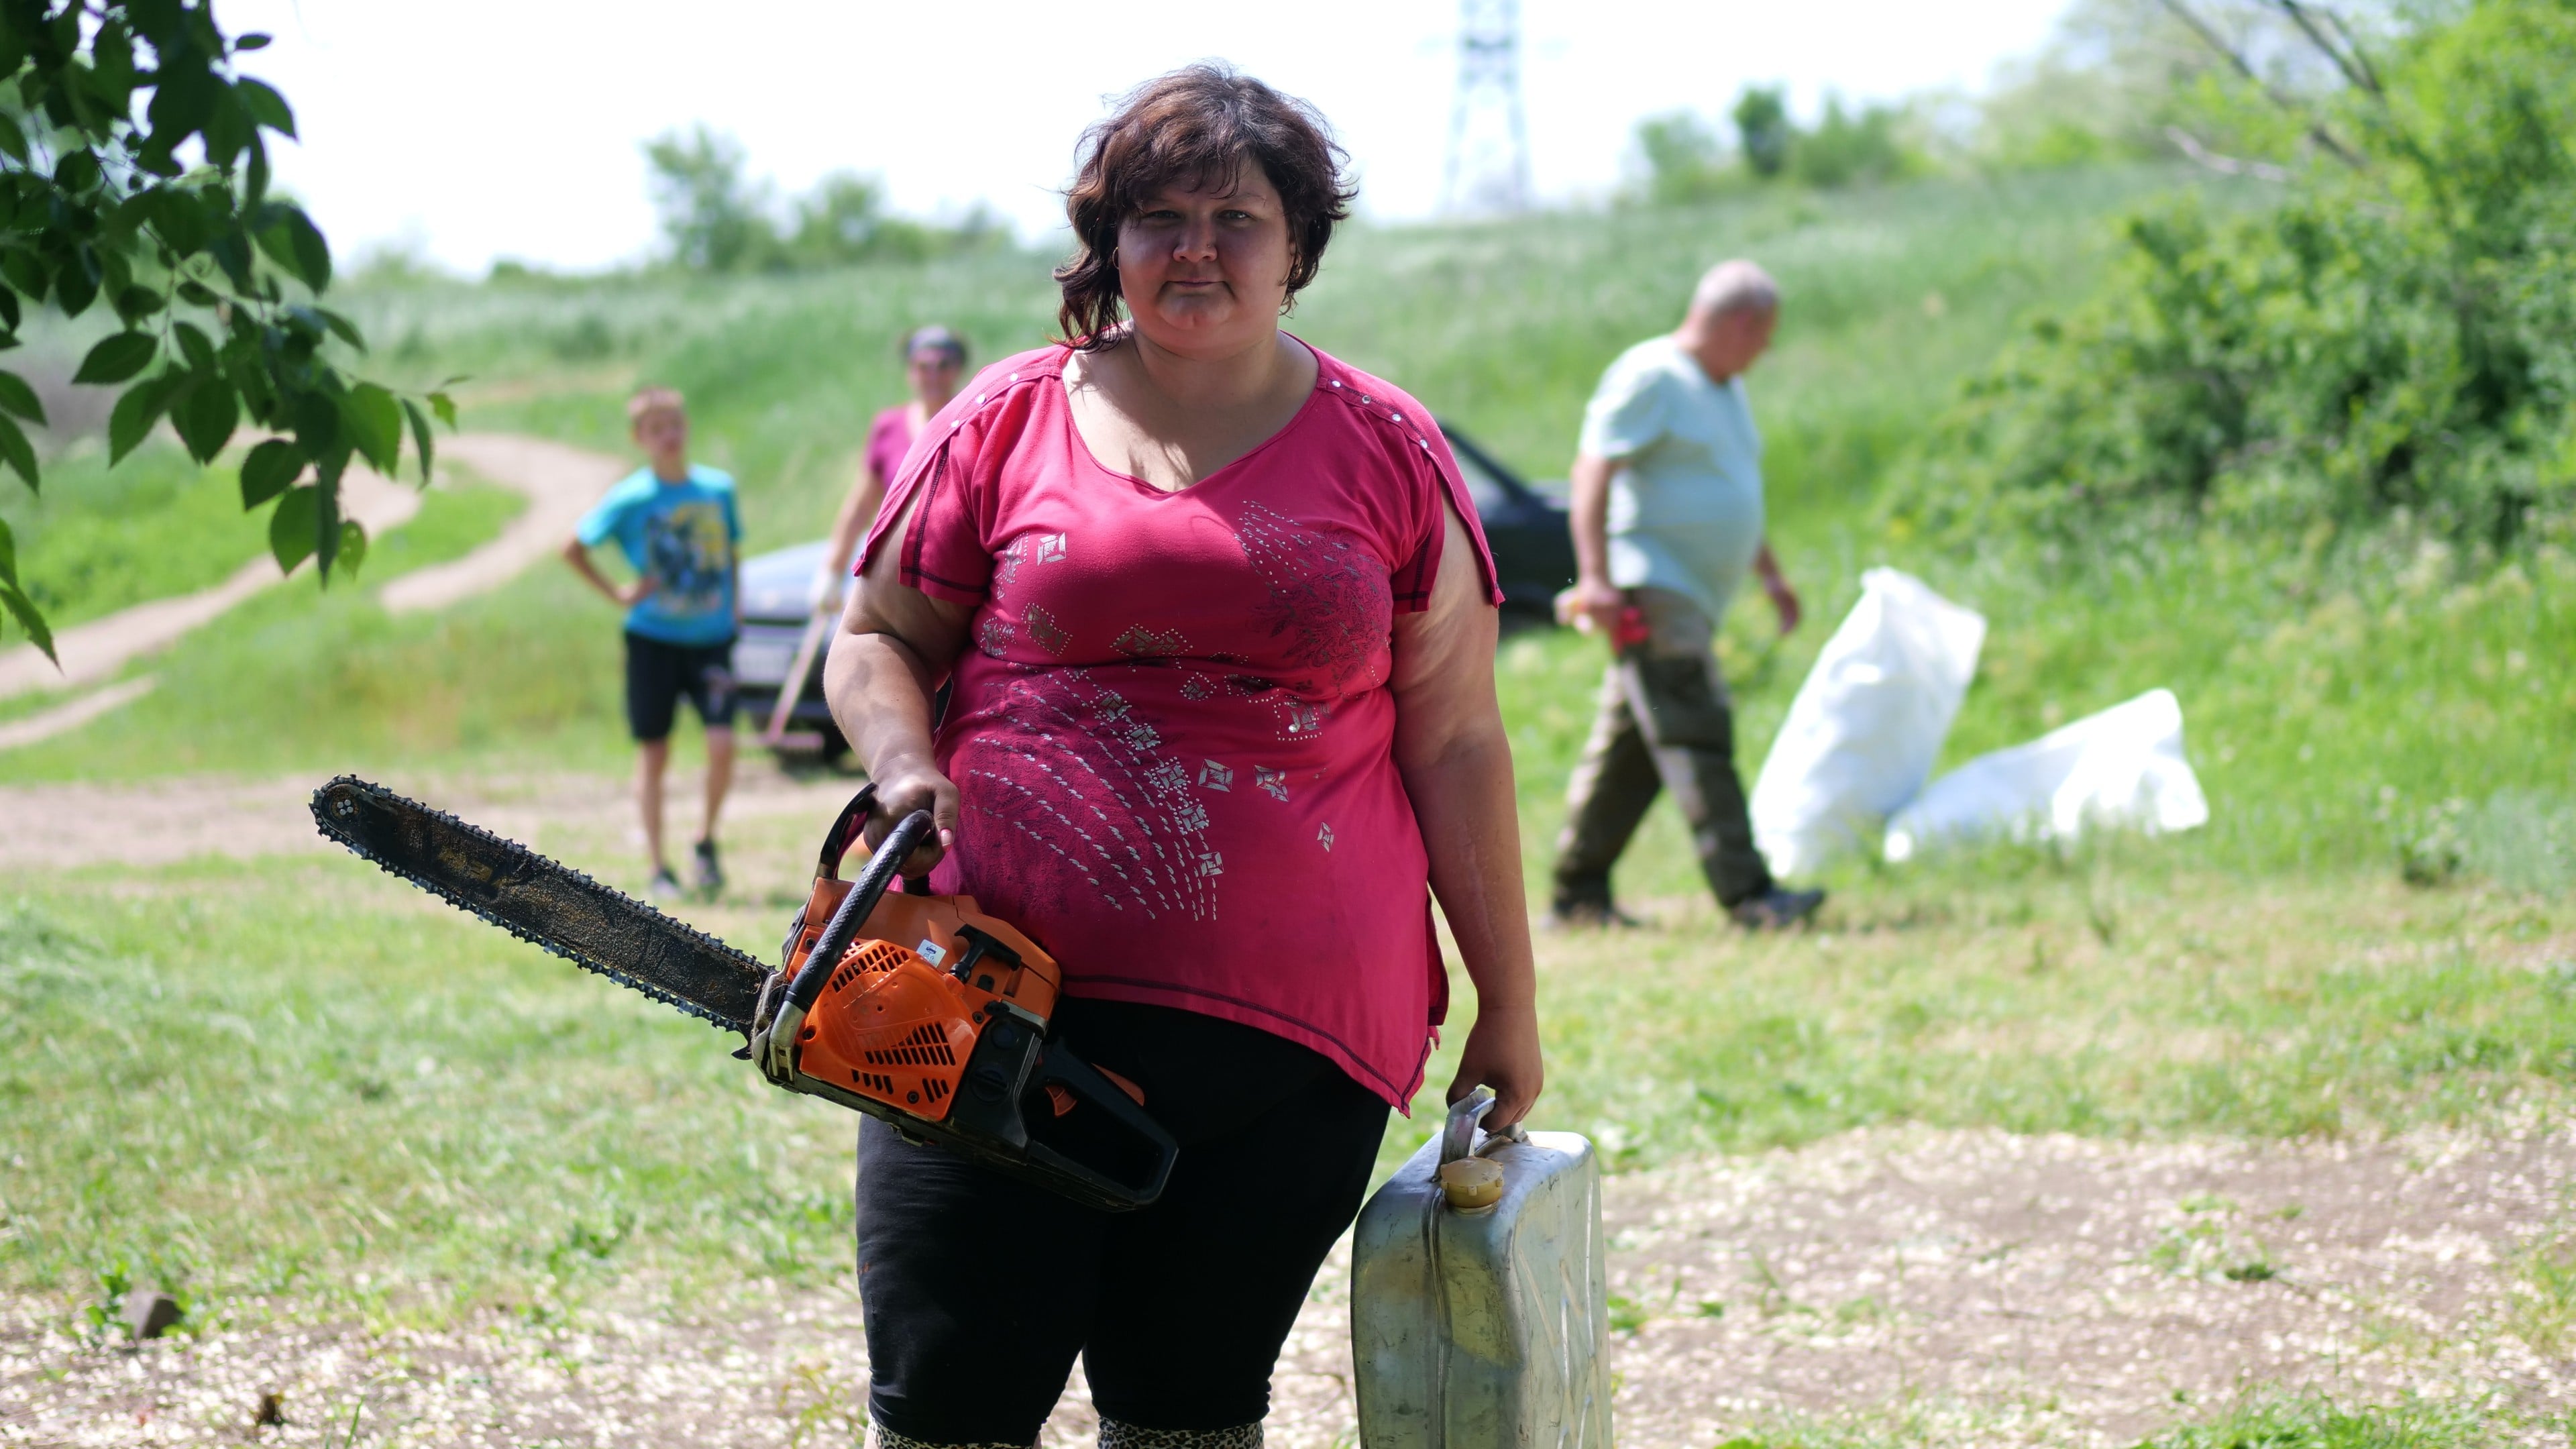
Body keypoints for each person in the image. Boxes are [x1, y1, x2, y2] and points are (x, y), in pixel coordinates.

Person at [822, 64, 1543, 1449]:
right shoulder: (1006, 420)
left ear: (1300, 251)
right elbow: (875, 639)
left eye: (1237, 216)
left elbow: (1456, 739)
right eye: (1158, 217)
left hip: (1292, 1052)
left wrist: (1509, 1003)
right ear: (1113, 246)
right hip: (979, 1009)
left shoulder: (1390, 450)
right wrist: (906, 766)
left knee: (1190, 1416)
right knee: (948, 1409)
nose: (1196, 247)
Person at [1550, 260, 1825, 932]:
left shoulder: (1721, 388)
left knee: (1637, 750)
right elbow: (1592, 469)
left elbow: (1729, 487)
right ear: (1740, 322)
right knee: (1698, 730)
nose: (1766, 351)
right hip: (1654, 585)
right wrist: (1595, 577)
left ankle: (1578, 894)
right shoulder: (1654, 375)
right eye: (1766, 337)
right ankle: (1750, 895)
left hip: (1691, 595)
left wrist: (1770, 573)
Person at [560, 386, 743, 899]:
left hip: (712, 640)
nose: (669, 435)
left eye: (676, 424)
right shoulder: (632, 497)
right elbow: (572, 548)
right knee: (655, 754)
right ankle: (659, 865)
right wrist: (618, 592)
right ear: (640, 438)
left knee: (723, 742)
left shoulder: (717, 489)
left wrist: (737, 608)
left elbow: (731, 552)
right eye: (657, 428)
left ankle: (705, 841)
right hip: (654, 641)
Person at [810, 325, 971, 615]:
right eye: (924, 366)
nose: (933, 375)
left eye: (943, 365)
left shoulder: (971, 423)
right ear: (911, 371)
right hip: (891, 572)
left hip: (950, 573)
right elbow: (861, 506)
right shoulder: (888, 427)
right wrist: (831, 572)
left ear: (957, 369)